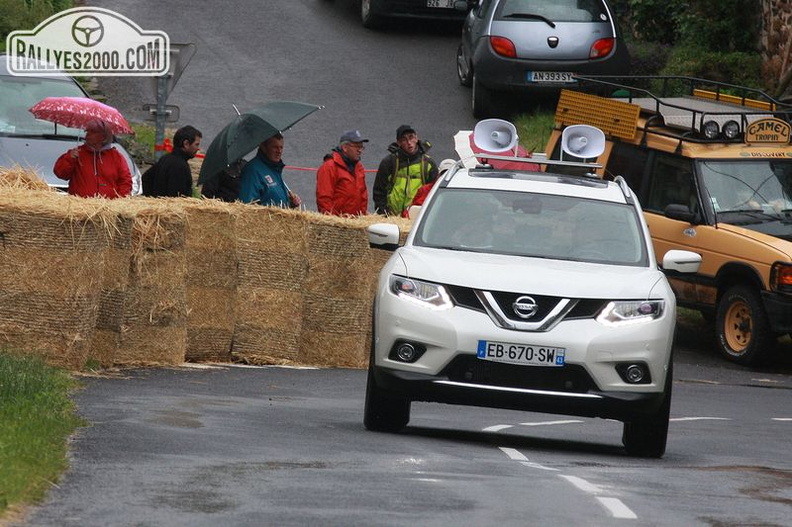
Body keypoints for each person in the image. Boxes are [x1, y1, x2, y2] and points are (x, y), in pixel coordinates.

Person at [53, 119, 132, 199]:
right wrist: (69, 158)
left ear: (103, 136)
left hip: (108, 208)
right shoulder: (77, 153)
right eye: (87, 131)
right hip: (80, 206)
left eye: (93, 132)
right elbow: (60, 173)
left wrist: (119, 201)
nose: (88, 134)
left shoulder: (116, 157)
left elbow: (125, 182)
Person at [373, 124, 438, 216]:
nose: (409, 142)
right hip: (392, 216)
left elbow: (433, 193)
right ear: (399, 143)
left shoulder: (428, 163)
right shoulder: (389, 162)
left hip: (416, 216)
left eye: (411, 137)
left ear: (416, 138)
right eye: (404, 139)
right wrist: (384, 213)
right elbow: (379, 192)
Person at [239, 133, 301, 208]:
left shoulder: (274, 168)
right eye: (275, 147)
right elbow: (246, 206)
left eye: (281, 147)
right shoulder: (252, 171)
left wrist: (289, 203)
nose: (279, 151)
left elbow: (272, 199)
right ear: (263, 147)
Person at [316, 130, 369, 216]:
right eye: (356, 147)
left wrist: (361, 218)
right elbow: (324, 199)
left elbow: (363, 196)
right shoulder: (329, 167)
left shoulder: (359, 167)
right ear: (345, 147)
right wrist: (333, 222)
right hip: (338, 225)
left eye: (361, 147)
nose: (360, 150)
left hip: (355, 223)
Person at [142, 125, 202, 197]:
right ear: (186, 144)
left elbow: (146, 177)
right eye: (196, 144)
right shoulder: (180, 166)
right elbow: (179, 197)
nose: (198, 149)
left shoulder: (165, 159)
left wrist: (150, 199)